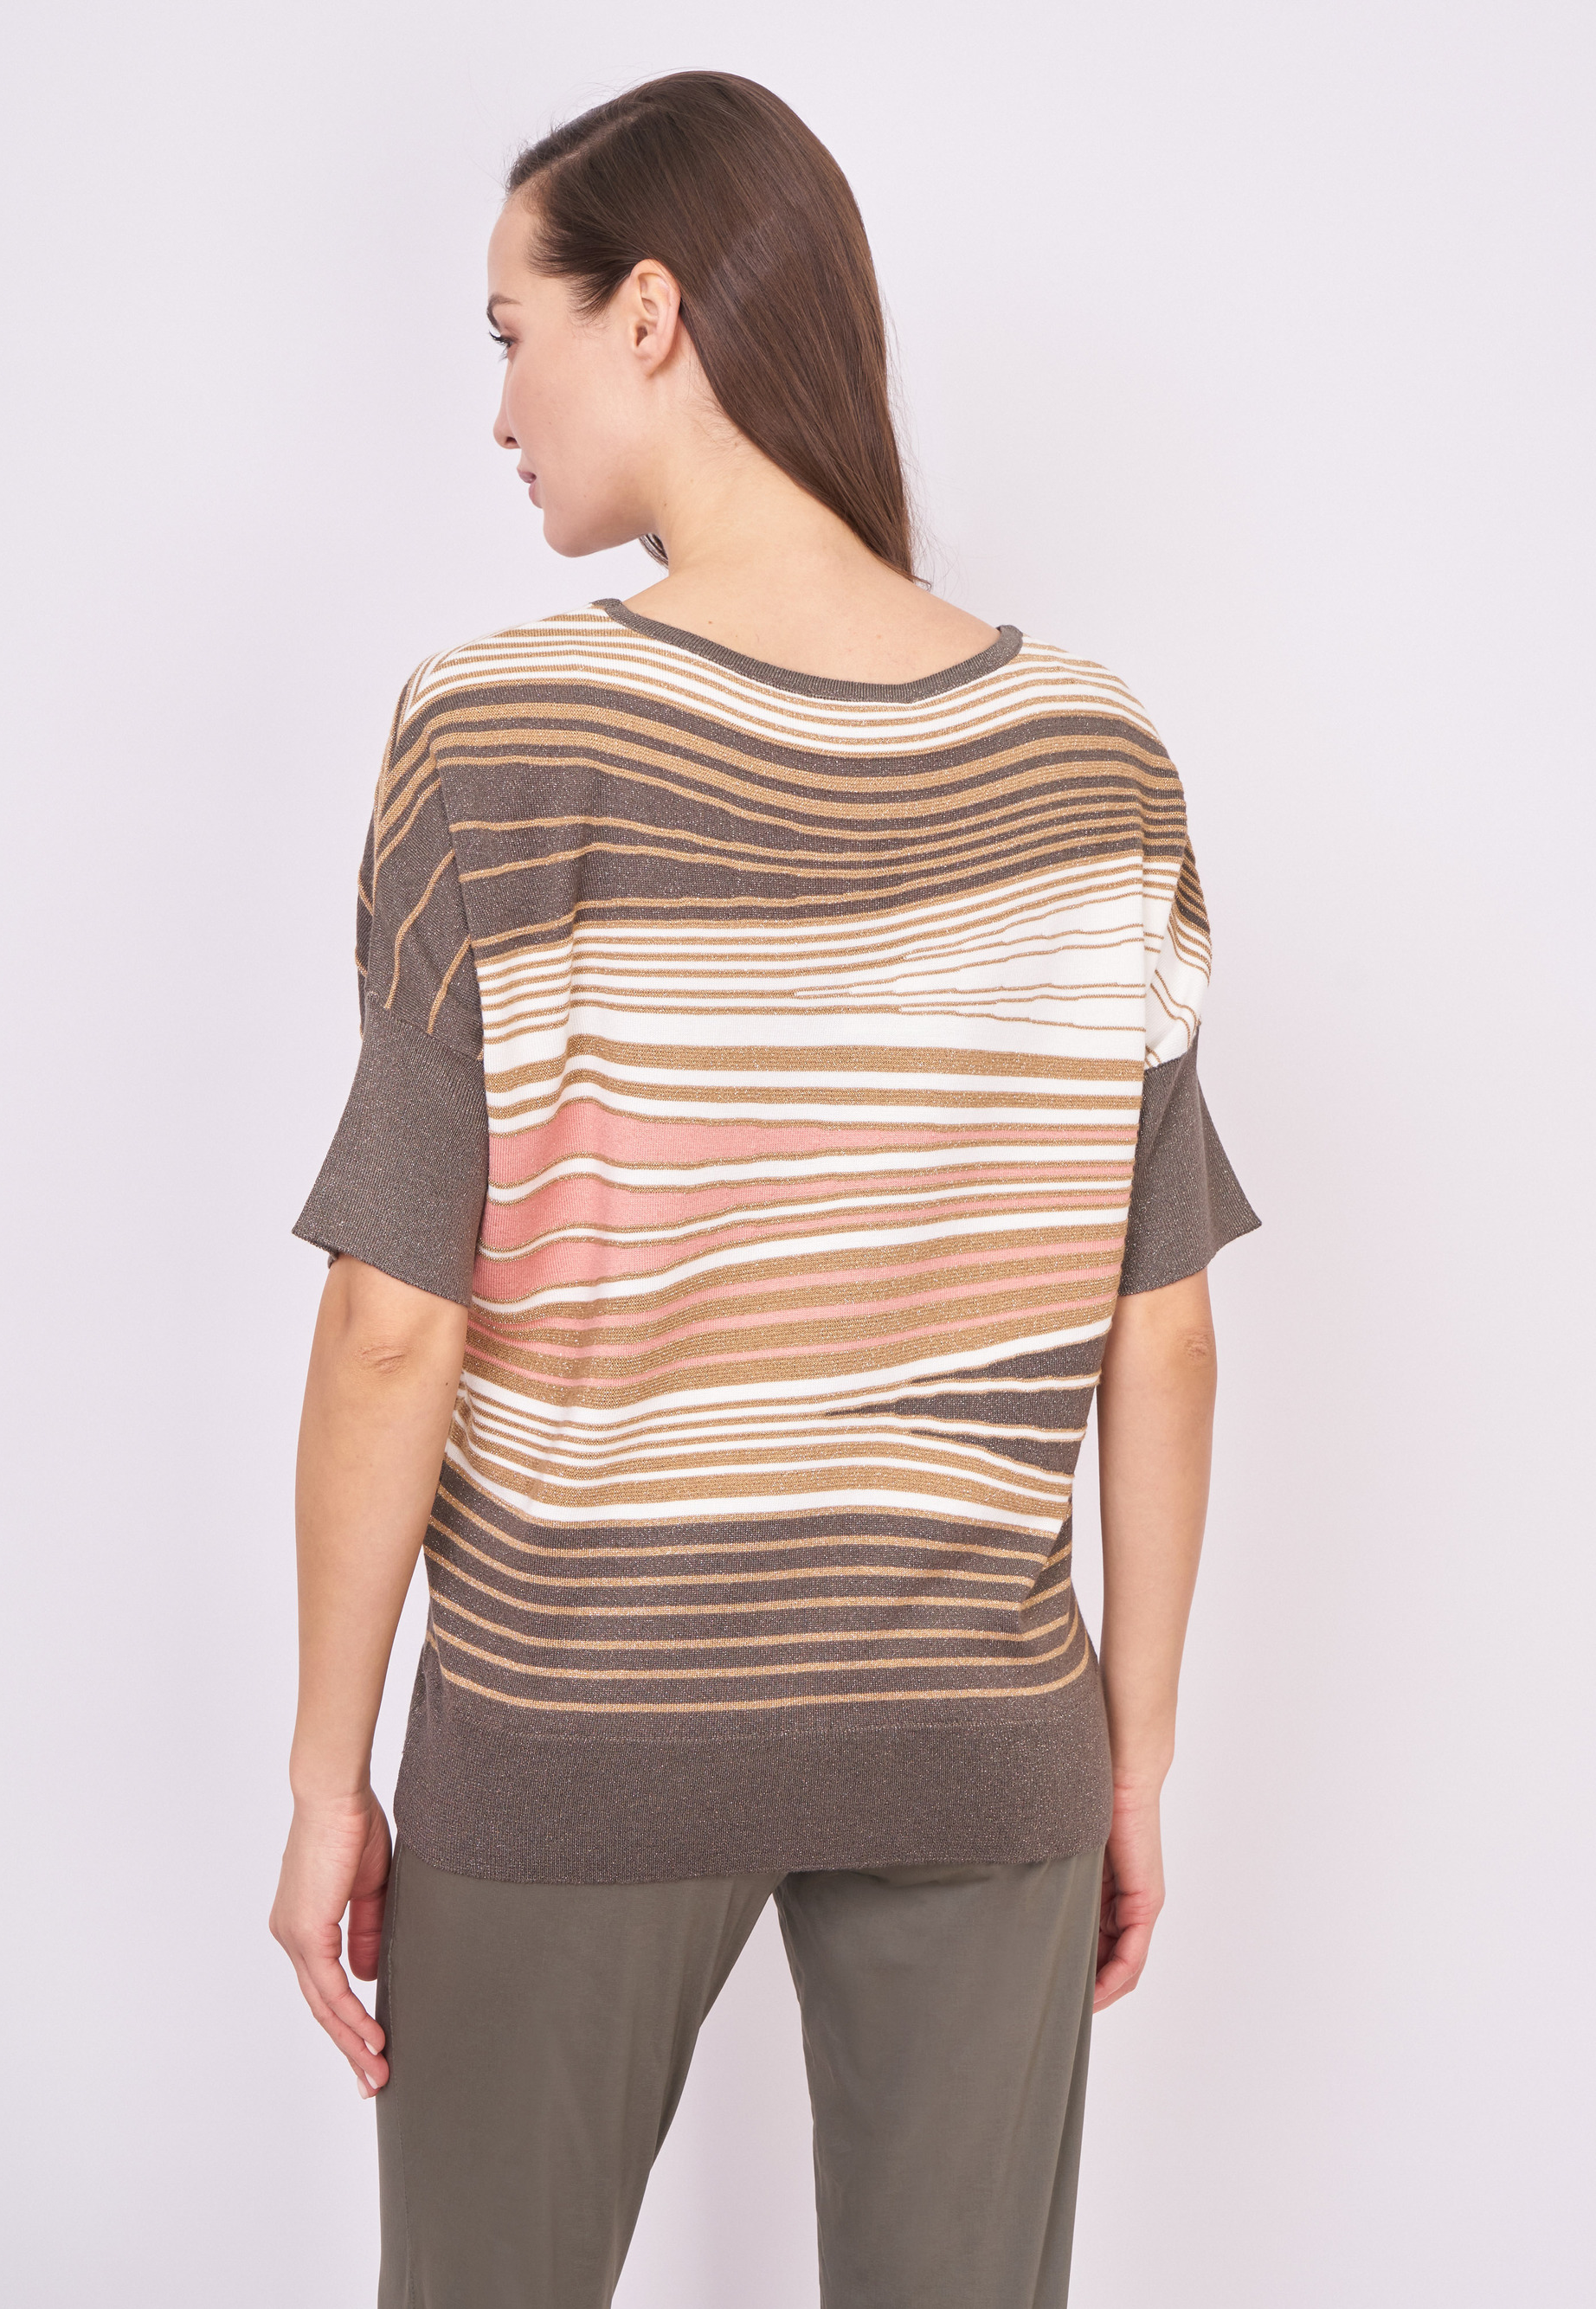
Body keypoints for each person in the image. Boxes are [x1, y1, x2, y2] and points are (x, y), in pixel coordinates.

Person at [270, 68, 1258, 2309]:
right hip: (980, 1731)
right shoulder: (1098, 754)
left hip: (573, 1717)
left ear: (647, 314)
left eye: (509, 332)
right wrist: (1128, 1758)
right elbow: (1166, 1324)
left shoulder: (496, 733)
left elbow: (394, 1317)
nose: (496, 408)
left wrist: (331, 1775)